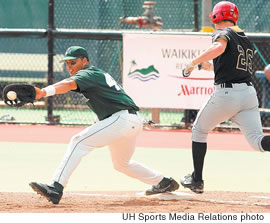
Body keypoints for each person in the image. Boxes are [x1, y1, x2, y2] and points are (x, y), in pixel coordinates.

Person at [29, 46, 179, 204]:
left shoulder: (89, 73)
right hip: (129, 121)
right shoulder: (95, 75)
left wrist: (43, 92)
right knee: (121, 164)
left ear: (85, 61)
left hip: (122, 120)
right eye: (67, 64)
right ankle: (164, 182)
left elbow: (68, 84)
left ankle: (56, 187)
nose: (69, 66)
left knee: (78, 141)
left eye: (73, 62)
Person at [180, 1, 270, 194]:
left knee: (198, 130)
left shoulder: (224, 33)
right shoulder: (243, 37)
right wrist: (213, 66)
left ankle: (196, 180)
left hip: (228, 94)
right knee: (257, 142)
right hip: (248, 94)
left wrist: (192, 63)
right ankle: (196, 179)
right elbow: (231, 63)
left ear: (215, 16)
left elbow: (219, 47)